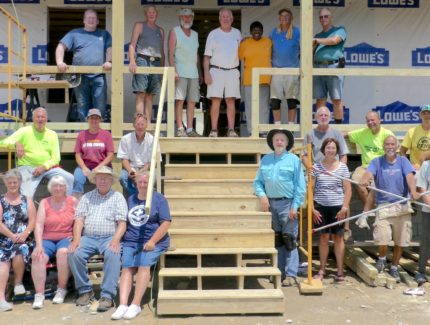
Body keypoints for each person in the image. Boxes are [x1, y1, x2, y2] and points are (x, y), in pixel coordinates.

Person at [111, 172, 171, 320]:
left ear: (151, 184)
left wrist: (152, 241)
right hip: (131, 241)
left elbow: (166, 223)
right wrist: (117, 239)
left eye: (146, 182)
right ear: (136, 184)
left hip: (153, 241)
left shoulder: (159, 199)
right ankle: (123, 304)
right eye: (140, 182)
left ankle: (136, 304)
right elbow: (124, 223)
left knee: (144, 264)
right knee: (127, 268)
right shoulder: (131, 199)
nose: (143, 185)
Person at [67, 166, 128, 312]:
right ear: (95, 180)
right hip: (88, 237)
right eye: (100, 178)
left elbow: (122, 223)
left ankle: (107, 296)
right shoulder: (87, 197)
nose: (103, 181)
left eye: (106, 178)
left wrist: (115, 240)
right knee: (73, 253)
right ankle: (85, 291)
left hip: (109, 237)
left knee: (113, 253)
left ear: (112, 181)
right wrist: (76, 240)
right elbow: (79, 220)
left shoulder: (118, 197)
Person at [360, 135, 418, 283]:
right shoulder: (377, 162)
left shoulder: (404, 161)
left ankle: (394, 267)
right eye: (387, 144)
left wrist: (413, 191)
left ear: (397, 146)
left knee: (401, 240)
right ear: (383, 146)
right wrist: (365, 179)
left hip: (402, 205)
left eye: (393, 144)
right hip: (384, 206)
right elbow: (368, 173)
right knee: (382, 237)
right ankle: (381, 257)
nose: (390, 147)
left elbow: (410, 177)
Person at [253, 129, 306, 285]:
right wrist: (262, 196)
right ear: (272, 142)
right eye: (277, 139)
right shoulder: (266, 160)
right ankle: (279, 271)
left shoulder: (294, 160)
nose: (279, 142)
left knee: (289, 239)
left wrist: (295, 206)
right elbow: (257, 182)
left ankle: (291, 274)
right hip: (271, 204)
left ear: (287, 142)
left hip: (288, 203)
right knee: (277, 239)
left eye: (282, 139)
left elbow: (300, 186)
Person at [0, 107, 74, 198]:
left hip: (48, 168)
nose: (40, 119)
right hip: (28, 167)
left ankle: (66, 208)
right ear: (33, 119)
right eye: (37, 117)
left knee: (70, 178)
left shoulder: (52, 134)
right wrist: (16, 144)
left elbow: (56, 158)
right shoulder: (24, 131)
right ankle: (28, 211)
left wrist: (44, 167)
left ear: (46, 119)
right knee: (27, 196)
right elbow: (2, 143)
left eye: (42, 117)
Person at [56, 9, 112, 121]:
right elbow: (61, 47)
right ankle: (85, 134)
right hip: (79, 76)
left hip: (98, 76)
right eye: (88, 17)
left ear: (97, 21)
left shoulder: (104, 34)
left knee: (100, 106)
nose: (91, 20)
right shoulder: (75, 33)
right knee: (82, 106)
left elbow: (110, 49)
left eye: (93, 18)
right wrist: (60, 62)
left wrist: (110, 61)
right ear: (84, 20)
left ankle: (98, 134)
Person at [31, 176, 78, 309]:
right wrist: (39, 245)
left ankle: (61, 289)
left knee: (63, 253)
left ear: (65, 188)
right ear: (50, 188)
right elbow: (39, 225)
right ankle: (39, 294)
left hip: (66, 237)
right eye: (55, 186)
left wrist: (76, 238)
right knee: (38, 256)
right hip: (47, 238)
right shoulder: (45, 202)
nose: (58, 188)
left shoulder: (73, 201)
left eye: (61, 185)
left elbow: (79, 222)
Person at [312, 138, 351, 281]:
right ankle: (321, 270)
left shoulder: (342, 167)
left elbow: (348, 190)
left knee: (338, 238)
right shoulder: (316, 166)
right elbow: (310, 189)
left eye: (333, 148)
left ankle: (340, 271)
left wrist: (344, 208)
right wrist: (312, 208)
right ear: (323, 150)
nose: (331, 150)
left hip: (337, 208)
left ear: (337, 150)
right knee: (323, 238)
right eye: (328, 147)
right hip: (320, 208)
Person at [0, 169, 36, 312]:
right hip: (4, 237)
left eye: (15, 182)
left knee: (20, 249)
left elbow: (33, 221)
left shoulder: (26, 199)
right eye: (10, 182)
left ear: (19, 182)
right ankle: (1, 299)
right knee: (2, 261)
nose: (13, 184)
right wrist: (11, 235)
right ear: (5, 184)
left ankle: (18, 283)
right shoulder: (1, 200)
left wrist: (25, 233)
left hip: (24, 238)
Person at [204, 8, 241, 138]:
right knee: (216, 100)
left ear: (232, 19)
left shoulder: (237, 33)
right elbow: (206, 56)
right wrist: (206, 73)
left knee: (231, 100)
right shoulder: (213, 34)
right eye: (223, 16)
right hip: (216, 70)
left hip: (233, 71)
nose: (225, 19)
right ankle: (214, 130)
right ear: (220, 19)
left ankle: (231, 129)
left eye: (228, 17)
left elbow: (243, 53)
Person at [346, 111, 393, 205]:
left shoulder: (387, 134)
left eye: (373, 120)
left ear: (379, 120)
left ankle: (371, 212)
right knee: (358, 182)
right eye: (368, 121)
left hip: (382, 167)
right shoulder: (362, 133)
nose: (370, 122)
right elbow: (345, 134)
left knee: (376, 187)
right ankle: (371, 211)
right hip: (365, 167)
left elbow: (392, 153)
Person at [168, 8, 202, 137]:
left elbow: (196, 55)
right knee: (180, 101)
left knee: (192, 101)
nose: (187, 19)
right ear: (180, 18)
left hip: (193, 73)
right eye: (184, 17)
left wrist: (200, 72)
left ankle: (190, 129)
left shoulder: (195, 34)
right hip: (180, 72)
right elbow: (170, 53)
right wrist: (174, 71)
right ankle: (180, 128)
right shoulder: (174, 31)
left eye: (189, 17)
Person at [129, 5, 165, 121]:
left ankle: (148, 125)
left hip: (156, 62)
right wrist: (132, 61)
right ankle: (140, 122)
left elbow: (162, 51)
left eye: (153, 12)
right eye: (149, 12)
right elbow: (132, 45)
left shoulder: (161, 30)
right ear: (145, 14)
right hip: (142, 59)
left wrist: (162, 69)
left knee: (150, 95)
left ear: (157, 14)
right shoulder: (139, 25)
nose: (151, 14)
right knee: (141, 93)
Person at [313, 7, 347, 124]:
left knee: (336, 99)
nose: (323, 19)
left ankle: (338, 128)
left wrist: (316, 40)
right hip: (317, 67)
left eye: (326, 16)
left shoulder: (340, 29)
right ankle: (320, 127)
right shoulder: (318, 35)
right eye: (321, 17)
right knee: (320, 99)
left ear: (331, 17)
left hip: (334, 67)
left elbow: (334, 41)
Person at [238, 21, 272, 136]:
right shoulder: (245, 43)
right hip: (249, 80)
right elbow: (240, 57)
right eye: (254, 30)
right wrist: (242, 41)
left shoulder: (268, 42)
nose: (256, 32)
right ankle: (252, 131)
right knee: (250, 107)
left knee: (263, 106)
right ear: (250, 31)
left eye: (259, 29)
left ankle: (263, 131)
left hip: (264, 79)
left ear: (262, 31)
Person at [73, 108, 114, 199]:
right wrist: (84, 168)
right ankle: (77, 204)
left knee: (103, 181)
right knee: (77, 179)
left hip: (102, 166)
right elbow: (78, 154)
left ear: (100, 120)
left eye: (96, 118)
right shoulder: (81, 135)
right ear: (87, 119)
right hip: (85, 165)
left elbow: (110, 155)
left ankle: (104, 202)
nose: (94, 120)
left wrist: (98, 168)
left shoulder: (106, 134)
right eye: (92, 118)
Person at [269, 8, 300, 125]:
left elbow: (307, 47)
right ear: (279, 18)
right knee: (275, 101)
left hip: (292, 70)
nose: (284, 18)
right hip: (276, 70)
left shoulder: (297, 32)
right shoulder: (274, 32)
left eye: (287, 16)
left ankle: (290, 128)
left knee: (291, 100)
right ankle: (278, 126)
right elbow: (265, 45)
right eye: (282, 16)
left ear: (291, 18)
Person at [117, 113, 160, 197]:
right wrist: (130, 171)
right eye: (138, 124)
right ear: (133, 125)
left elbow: (154, 161)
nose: (140, 127)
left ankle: (140, 196)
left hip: (146, 169)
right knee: (122, 176)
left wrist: (140, 172)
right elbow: (124, 159)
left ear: (146, 125)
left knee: (155, 175)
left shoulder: (153, 140)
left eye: (142, 124)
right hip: (131, 168)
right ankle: (136, 196)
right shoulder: (125, 139)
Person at [400, 104, 430, 170]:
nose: (427, 115)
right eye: (424, 113)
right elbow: (402, 151)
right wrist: (408, 165)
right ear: (420, 116)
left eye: (429, 113)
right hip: (417, 170)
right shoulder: (412, 132)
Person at [415, 160, 430, 284]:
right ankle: (421, 271)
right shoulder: (426, 165)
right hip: (428, 209)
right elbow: (422, 188)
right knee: (426, 240)